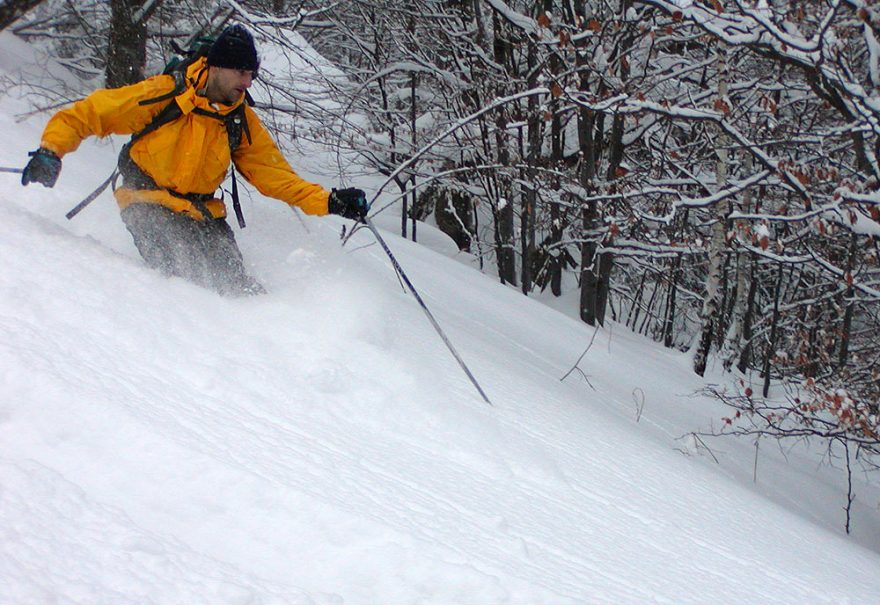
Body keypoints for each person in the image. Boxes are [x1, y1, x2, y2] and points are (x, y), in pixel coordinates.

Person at [21, 24, 368, 296]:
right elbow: (89, 114)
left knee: (238, 289)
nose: (247, 83)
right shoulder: (163, 94)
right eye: (241, 73)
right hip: (147, 201)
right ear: (217, 67)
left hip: (203, 213)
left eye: (252, 75)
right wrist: (51, 151)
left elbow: (276, 177)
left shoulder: (240, 120)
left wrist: (330, 201)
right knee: (186, 283)